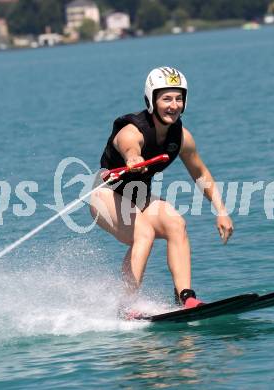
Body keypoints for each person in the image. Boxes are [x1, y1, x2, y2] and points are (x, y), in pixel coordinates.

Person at [90, 66, 233, 312]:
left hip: (139, 197)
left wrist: (221, 210)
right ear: (151, 100)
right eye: (166, 98)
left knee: (176, 224)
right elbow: (128, 145)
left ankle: (185, 297)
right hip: (106, 194)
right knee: (142, 232)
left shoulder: (182, 137)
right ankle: (126, 305)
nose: (173, 105)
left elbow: (200, 173)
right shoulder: (132, 129)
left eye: (179, 98)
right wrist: (132, 157)